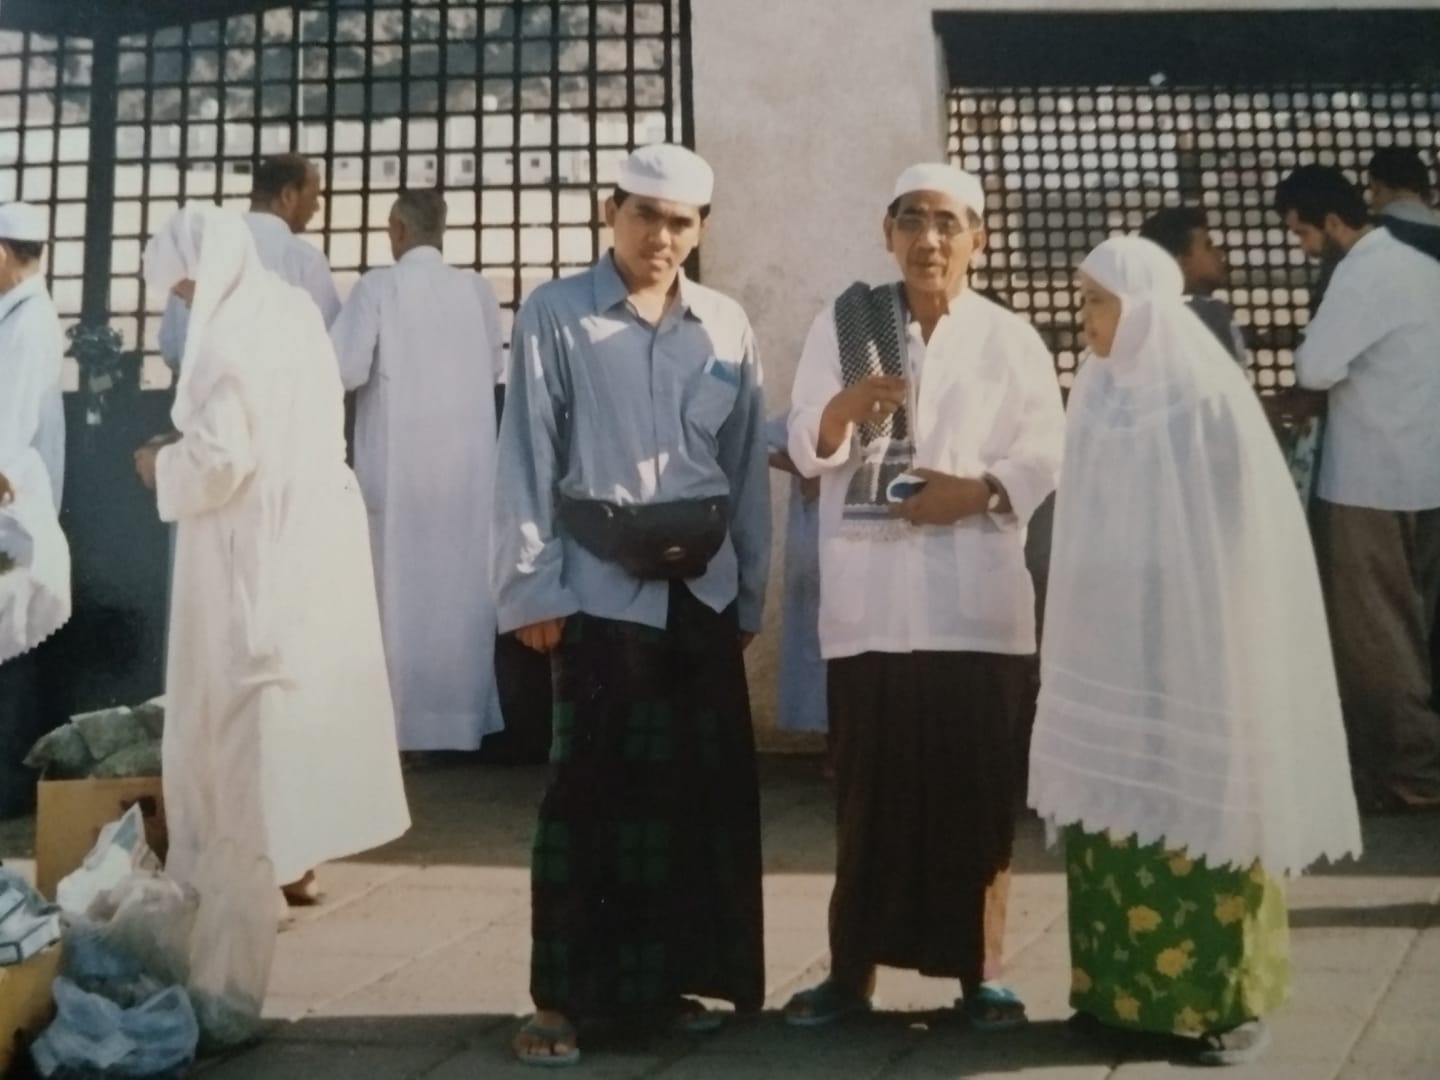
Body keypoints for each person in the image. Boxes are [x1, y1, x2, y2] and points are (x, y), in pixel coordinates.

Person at [1028, 234, 1361, 1067]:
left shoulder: (1208, 400)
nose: (1086, 319)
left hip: (1198, 647)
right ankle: (1116, 997)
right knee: (1113, 810)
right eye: (1085, 301)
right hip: (1115, 645)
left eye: (1098, 302)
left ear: (1141, 309)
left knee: (1208, 811)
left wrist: (1213, 634)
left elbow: (1244, 538)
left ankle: (1226, 1004)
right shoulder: (1099, 393)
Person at [492, 144, 770, 1067]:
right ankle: (561, 1000)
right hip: (600, 592)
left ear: (702, 230)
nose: (661, 235)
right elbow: (527, 455)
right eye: (644, 214)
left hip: (700, 594)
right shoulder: (557, 315)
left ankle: (663, 988)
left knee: (691, 801)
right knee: (589, 797)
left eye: (680, 221)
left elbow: (742, 475)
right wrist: (532, 587)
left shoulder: (724, 325)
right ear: (611, 212)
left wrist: (751, 590)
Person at [782, 163, 1065, 1031]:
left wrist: (978, 492)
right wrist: (843, 408)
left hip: (974, 607)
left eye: (948, 222)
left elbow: (1046, 447)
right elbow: (802, 443)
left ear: (977, 238)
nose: (929, 239)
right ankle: (850, 974)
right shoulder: (848, 324)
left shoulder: (1011, 338)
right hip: (873, 607)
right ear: (888, 232)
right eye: (912, 220)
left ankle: (980, 976)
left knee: (973, 795)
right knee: (870, 795)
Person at [134, 206, 410, 907]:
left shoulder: (227, 335)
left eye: (186, 289)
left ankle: (246, 865)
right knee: (293, 693)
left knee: (238, 703)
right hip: (311, 527)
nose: (186, 303)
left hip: (246, 536)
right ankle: (294, 858)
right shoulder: (289, 310)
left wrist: (162, 466)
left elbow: (225, 458)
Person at [1276, 165, 1440, 813]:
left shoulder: (1362, 272)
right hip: (1424, 472)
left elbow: (1315, 366)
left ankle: (1414, 770)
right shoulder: (1421, 267)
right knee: (1421, 624)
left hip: (1370, 480)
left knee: (1377, 634)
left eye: (1302, 232)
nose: (1304, 247)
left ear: (1335, 222)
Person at [330, 190, 506, 756]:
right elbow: (495, 367)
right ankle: (457, 727)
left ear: (396, 229)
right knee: (459, 593)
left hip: (399, 467)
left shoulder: (379, 287)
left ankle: (399, 732)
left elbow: (346, 368)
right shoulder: (476, 291)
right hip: (465, 472)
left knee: (397, 592)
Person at [0, 202, 65, 819]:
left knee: (13, 645)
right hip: (15, 507)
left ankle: (10, 789)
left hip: (12, 509)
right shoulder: (22, 314)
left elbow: (9, 429)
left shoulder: (26, 323)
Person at [157, 154, 340, 371]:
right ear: (288, 195)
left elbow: (169, 346)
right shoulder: (305, 261)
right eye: (314, 197)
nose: (316, 207)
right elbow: (330, 349)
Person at [765, 410, 829, 756]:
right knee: (817, 643)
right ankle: (832, 746)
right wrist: (803, 467)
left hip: (855, 545)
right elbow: (759, 439)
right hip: (813, 543)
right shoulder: (807, 410)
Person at [1139, 207, 1248, 367]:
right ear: (1181, 262)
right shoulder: (1212, 314)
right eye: (1208, 246)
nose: (1220, 254)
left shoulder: (1136, 319)